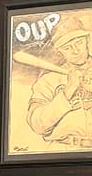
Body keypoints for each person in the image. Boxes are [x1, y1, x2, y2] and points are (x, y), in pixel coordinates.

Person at [27, 17, 92, 149]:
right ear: (59, 51)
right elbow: (37, 125)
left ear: (87, 40)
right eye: (67, 47)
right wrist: (67, 91)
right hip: (62, 149)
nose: (76, 51)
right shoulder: (49, 79)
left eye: (79, 42)